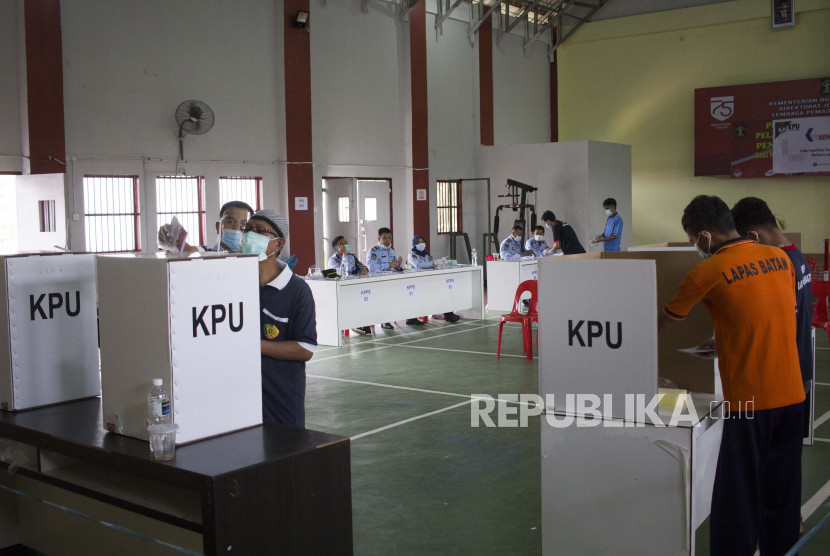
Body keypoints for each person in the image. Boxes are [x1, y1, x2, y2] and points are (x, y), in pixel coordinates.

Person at [658, 195, 804, 555]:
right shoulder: (779, 259)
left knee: (736, 496)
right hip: (793, 396)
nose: (695, 248)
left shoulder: (705, 271)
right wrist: (724, 339)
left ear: (705, 237)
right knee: (781, 493)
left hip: (751, 401)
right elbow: (770, 316)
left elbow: (662, 324)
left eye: (694, 241)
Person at [731, 197, 813, 438]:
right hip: (800, 372)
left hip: (781, 382)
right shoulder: (798, 258)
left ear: (752, 237)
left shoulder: (778, 266)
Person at [240, 209, 317, 428]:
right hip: (240, 394)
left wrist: (255, 346)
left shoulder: (296, 291)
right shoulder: (234, 282)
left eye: (260, 231)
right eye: (247, 229)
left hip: (280, 396)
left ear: (278, 243)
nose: (249, 235)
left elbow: (305, 348)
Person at [158, 201, 254, 253]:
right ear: (218, 227)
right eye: (230, 221)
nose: (237, 228)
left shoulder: (257, 259)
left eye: (243, 223)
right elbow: (188, 250)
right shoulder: (209, 254)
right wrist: (172, 241)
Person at [407, 235, 461, 324]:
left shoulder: (426, 254)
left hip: (428, 280)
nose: (421, 244)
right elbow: (419, 265)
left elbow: (433, 262)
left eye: (422, 242)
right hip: (416, 282)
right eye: (418, 242)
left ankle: (448, 314)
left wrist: (441, 261)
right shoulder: (412, 255)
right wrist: (433, 263)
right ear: (414, 244)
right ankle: (411, 319)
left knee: (443, 291)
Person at [329, 236, 371, 335]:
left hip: (354, 286)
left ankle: (362, 323)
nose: (345, 246)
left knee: (365, 299)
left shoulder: (352, 256)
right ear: (336, 248)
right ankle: (354, 323)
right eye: (341, 244)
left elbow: (361, 265)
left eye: (346, 243)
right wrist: (344, 255)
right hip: (341, 289)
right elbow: (342, 272)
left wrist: (364, 269)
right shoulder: (333, 260)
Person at [367, 227, 402, 329]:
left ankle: (389, 318)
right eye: (384, 238)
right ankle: (384, 321)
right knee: (383, 300)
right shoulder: (373, 251)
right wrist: (389, 264)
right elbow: (372, 267)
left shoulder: (391, 250)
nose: (387, 240)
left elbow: (393, 265)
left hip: (391, 280)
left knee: (392, 300)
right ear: (379, 239)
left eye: (389, 238)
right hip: (378, 281)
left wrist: (398, 264)